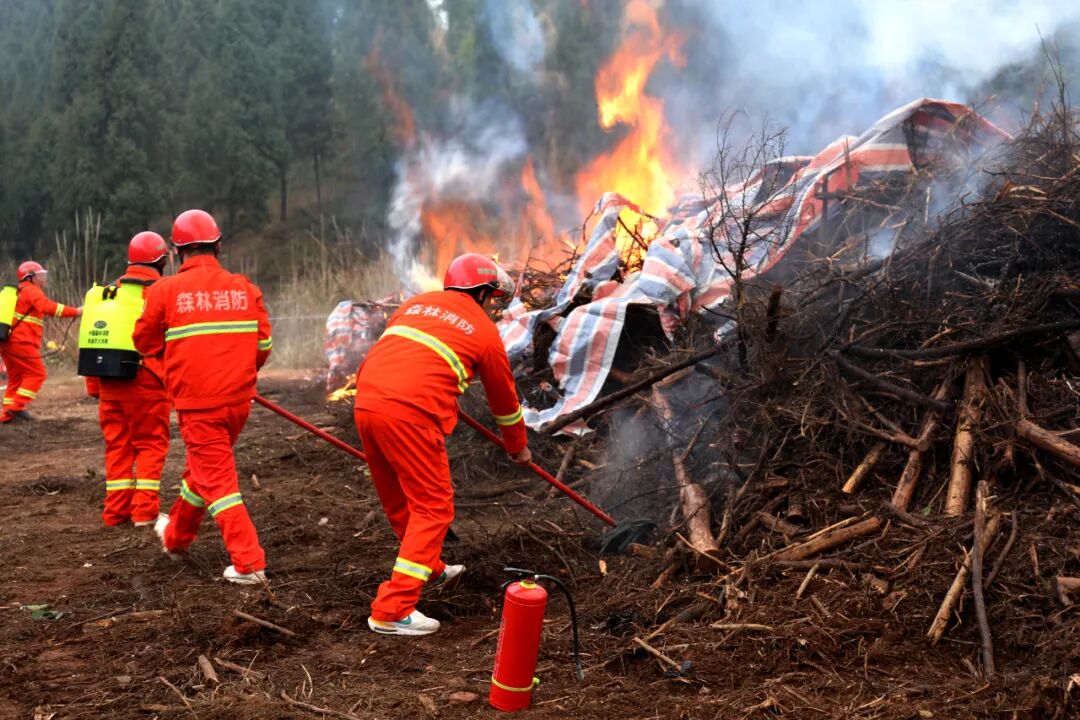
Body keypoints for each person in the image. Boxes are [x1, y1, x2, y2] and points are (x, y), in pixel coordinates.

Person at [354, 253, 531, 636]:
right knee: (433, 508)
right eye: (493, 298)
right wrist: (517, 445)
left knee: (400, 499)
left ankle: (429, 563)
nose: (492, 306)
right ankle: (393, 608)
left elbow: (409, 357)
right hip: (410, 414)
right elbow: (504, 401)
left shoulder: (414, 305)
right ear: (483, 292)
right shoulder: (483, 331)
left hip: (367, 402)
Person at [133, 209, 273, 585]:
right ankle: (176, 535)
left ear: (177, 250)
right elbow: (264, 345)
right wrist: (236, 373)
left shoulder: (164, 291)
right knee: (203, 471)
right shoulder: (245, 288)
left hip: (198, 406)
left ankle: (248, 562)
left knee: (220, 484)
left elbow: (144, 342)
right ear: (219, 245)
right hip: (238, 403)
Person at [84, 232, 171, 527]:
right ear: (161, 260)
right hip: (146, 381)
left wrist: (95, 387)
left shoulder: (109, 293)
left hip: (108, 383)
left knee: (118, 446)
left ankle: (115, 512)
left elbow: (95, 339)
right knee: (150, 444)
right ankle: (145, 513)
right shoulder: (162, 292)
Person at [0, 261, 81, 423]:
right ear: (30, 277)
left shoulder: (19, 292)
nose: (44, 278)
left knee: (16, 377)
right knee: (37, 374)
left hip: (8, 342)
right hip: (21, 341)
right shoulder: (31, 290)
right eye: (41, 275)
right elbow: (50, 308)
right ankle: (11, 411)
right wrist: (76, 312)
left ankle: (12, 411)